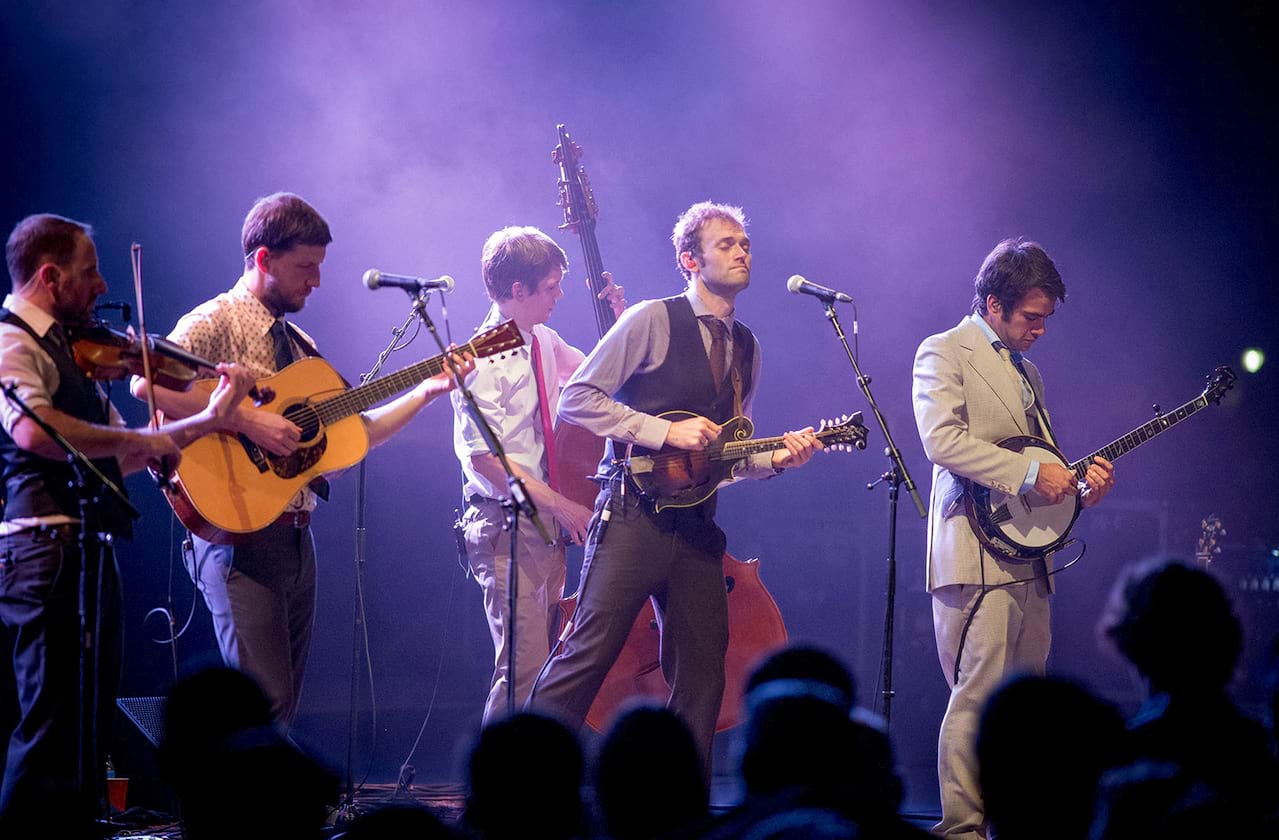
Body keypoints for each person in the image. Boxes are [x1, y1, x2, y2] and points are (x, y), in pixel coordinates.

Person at [135, 192, 470, 726]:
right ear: (263, 258)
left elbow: (357, 434)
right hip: (236, 533)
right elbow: (145, 383)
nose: (315, 281)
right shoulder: (215, 320)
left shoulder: (300, 345)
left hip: (294, 534)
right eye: (305, 268)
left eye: (319, 268)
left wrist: (425, 391)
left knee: (282, 706)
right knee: (259, 707)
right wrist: (247, 419)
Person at [526, 201, 822, 773]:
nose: (742, 252)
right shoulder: (650, 319)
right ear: (690, 260)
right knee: (585, 658)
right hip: (632, 517)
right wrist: (663, 429)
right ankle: (516, 793)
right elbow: (577, 398)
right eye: (726, 244)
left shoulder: (747, 348)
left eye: (745, 243)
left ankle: (677, 814)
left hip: (696, 528)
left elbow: (724, 460)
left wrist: (778, 459)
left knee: (705, 676)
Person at [0, 213, 254, 833]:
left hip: (88, 547)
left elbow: (137, 448)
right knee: (51, 724)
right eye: (90, 273)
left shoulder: (70, 349)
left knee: (86, 723)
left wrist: (209, 419)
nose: (102, 285)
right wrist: (202, 420)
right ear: (50, 276)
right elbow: (36, 429)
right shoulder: (13, 342)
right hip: (43, 547)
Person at [911, 238, 1117, 840]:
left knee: (1026, 708)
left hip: (1028, 555)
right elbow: (940, 441)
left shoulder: (1028, 371)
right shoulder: (943, 351)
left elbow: (1040, 458)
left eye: (1047, 319)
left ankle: (1020, 822)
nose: (1041, 331)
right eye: (1032, 317)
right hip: (973, 553)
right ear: (993, 304)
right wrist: (1033, 474)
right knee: (977, 695)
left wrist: (1077, 487)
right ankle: (961, 830)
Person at [452, 226, 623, 724]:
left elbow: (599, 376)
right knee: (521, 672)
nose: (559, 296)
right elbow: (484, 459)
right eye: (550, 287)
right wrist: (563, 505)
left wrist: (620, 320)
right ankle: (494, 791)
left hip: (543, 526)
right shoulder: (480, 358)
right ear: (517, 291)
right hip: (505, 526)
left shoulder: (541, 340)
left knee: (548, 669)